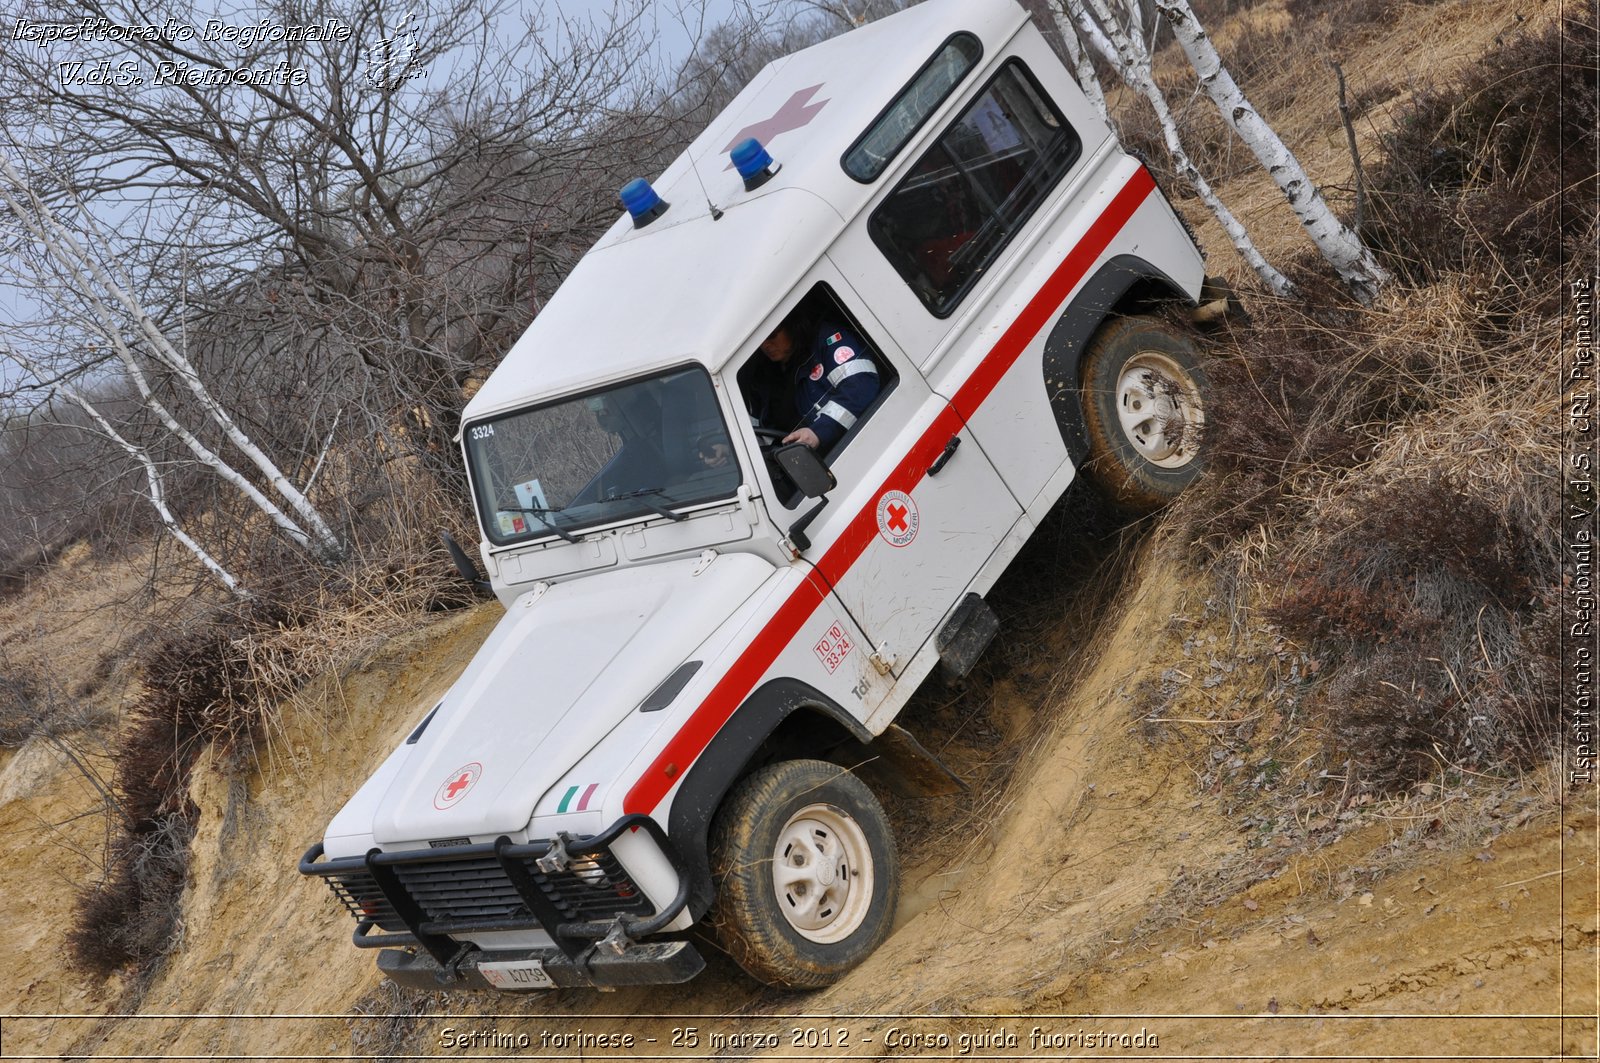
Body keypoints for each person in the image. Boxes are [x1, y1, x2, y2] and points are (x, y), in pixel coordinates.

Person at [744, 314, 881, 451]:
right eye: (759, 340)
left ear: (792, 325)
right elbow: (757, 430)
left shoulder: (828, 340)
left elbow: (860, 387)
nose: (765, 345)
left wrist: (817, 433)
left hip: (862, 444)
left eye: (771, 335)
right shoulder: (763, 376)